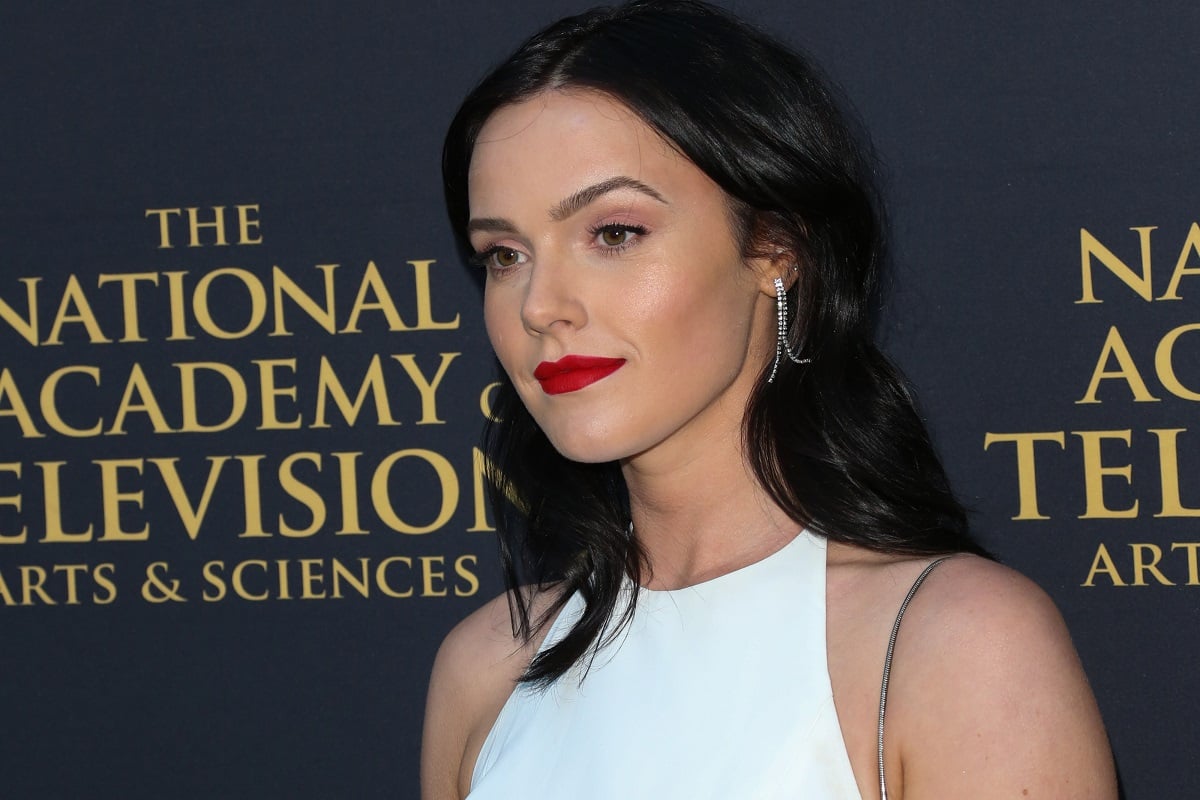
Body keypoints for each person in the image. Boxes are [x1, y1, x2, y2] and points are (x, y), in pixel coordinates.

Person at [423, 1, 1117, 797]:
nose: (540, 305)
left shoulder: (953, 646)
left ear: (775, 250)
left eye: (614, 234)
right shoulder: (486, 669)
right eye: (504, 254)